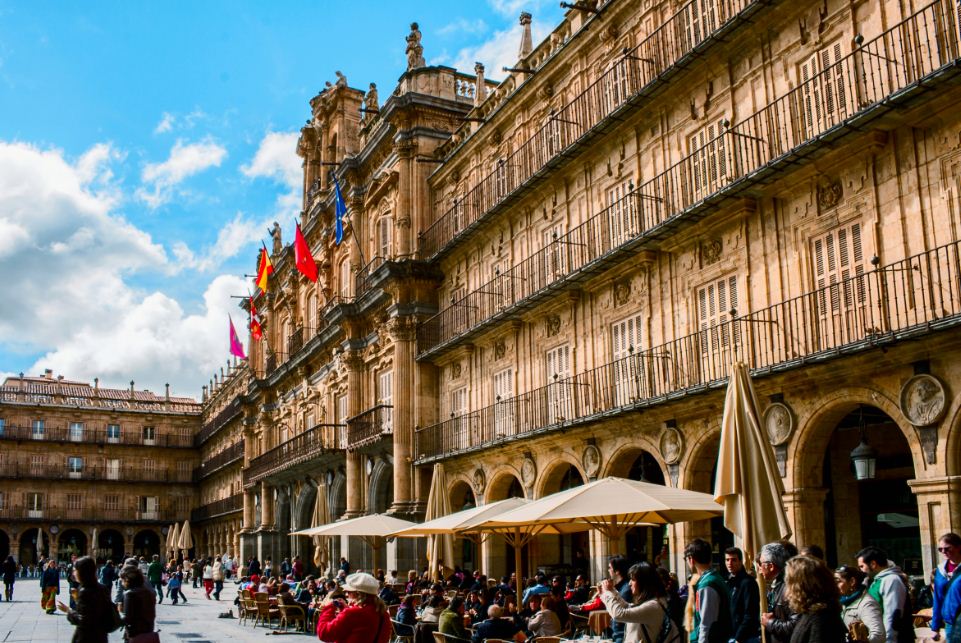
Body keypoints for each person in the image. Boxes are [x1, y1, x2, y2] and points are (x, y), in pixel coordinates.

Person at [600, 561, 682, 643]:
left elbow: (619, 614)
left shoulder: (654, 605)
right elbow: (628, 607)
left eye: (633, 580)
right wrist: (612, 591)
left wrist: (607, 593)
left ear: (644, 582)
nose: (629, 583)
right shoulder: (651, 602)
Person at [783, 556, 846, 643]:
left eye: (789, 583)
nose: (787, 589)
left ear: (801, 587)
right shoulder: (812, 614)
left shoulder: (821, 620)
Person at [315, 571, 391, 643]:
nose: (346, 594)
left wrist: (330, 607)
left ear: (357, 594)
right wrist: (345, 609)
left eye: (348, 591)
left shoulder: (352, 613)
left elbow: (324, 633)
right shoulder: (383, 613)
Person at [856, 546, 911, 643]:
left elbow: (893, 614)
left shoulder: (891, 580)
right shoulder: (875, 581)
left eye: (862, 566)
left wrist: (889, 639)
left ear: (873, 564)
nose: (861, 570)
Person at [684, 539, 733, 643]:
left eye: (686, 559)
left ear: (691, 560)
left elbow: (706, 624)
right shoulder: (714, 579)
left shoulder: (707, 585)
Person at [57, 556, 115, 643]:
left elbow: (84, 620)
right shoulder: (103, 588)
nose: (73, 573)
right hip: (101, 637)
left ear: (82, 572)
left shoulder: (85, 591)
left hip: (87, 638)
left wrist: (68, 610)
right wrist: (77, 599)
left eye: (75, 570)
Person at [758, 541, 797, 643]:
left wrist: (770, 623)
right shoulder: (776, 585)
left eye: (761, 563)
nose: (759, 569)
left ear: (770, 566)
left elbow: (796, 625)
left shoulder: (789, 588)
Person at [835, 565, 884, 643]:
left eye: (838, 581)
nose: (835, 585)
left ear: (852, 582)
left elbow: (879, 636)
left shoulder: (867, 604)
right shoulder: (845, 602)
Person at [725, 547, 760, 642]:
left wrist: (738, 638)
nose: (729, 563)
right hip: (731, 636)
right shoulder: (728, 582)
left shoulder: (748, 583)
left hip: (746, 638)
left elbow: (750, 613)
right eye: (727, 560)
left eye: (733, 560)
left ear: (740, 561)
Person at [932, 533, 961, 640]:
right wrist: (935, 627)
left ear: (958, 547)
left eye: (947, 548)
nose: (943, 552)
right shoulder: (940, 570)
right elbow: (938, 599)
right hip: (950, 622)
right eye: (940, 549)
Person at [120, 564, 157, 642]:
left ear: (127, 579)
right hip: (149, 632)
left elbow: (127, 618)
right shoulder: (148, 592)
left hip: (135, 634)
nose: (122, 583)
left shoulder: (129, 594)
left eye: (122, 580)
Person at [609, 555, 634, 643]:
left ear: (617, 571)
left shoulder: (626, 589)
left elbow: (618, 613)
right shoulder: (620, 587)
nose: (608, 570)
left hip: (622, 635)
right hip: (618, 633)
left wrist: (607, 593)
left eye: (610, 568)